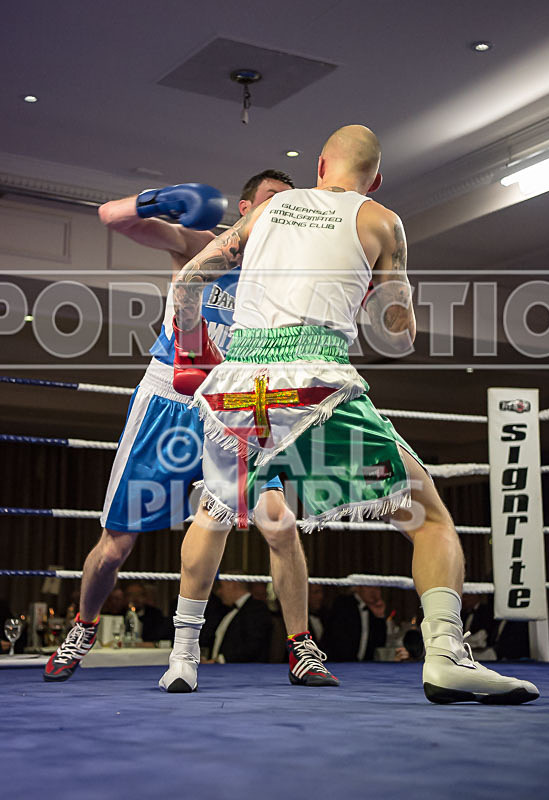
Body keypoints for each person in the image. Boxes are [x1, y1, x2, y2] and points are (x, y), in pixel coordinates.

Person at [164, 124, 539, 704]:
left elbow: (190, 280)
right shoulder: (380, 220)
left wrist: (191, 347)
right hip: (314, 384)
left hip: (232, 389)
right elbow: (398, 334)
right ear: (376, 180)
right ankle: (445, 656)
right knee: (431, 518)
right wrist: (379, 293)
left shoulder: (270, 209)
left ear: (319, 166)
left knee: (213, 511)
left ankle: (182, 657)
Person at [44, 170, 337, 688]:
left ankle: (301, 645)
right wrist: (158, 201)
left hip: (237, 407)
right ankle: (83, 625)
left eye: (290, 204)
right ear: (246, 208)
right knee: (116, 543)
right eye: (272, 199)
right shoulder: (204, 245)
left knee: (281, 524)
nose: (281, 210)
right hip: (171, 401)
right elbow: (111, 218)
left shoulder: (286, 277)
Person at [207, 578, 272, 663]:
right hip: (223, 671)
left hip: (243, 672)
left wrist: (219, 660)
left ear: (232, 585)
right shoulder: (228, 610)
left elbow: (252, 647)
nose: (219, 591)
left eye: (221, 586)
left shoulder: (256, 608)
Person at [322, 586, 387, 661]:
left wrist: (379, 616)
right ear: (358, 588)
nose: (373, 591)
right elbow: (339, 641)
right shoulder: (343, 603)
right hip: (339, 664)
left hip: (364, 666)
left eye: (377, 588)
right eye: (368, 587)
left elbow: (380, 644)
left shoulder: (373, 609)